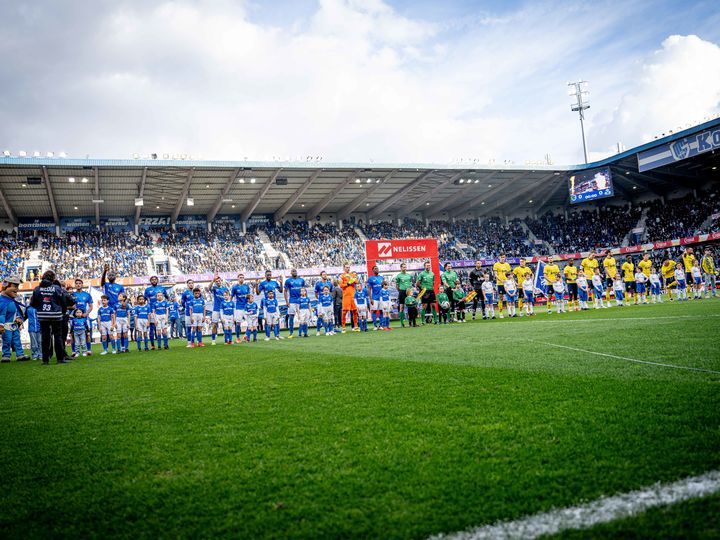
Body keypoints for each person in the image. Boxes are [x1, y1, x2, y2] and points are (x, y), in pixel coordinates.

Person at [31, 270, 72, 364]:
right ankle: (60, 359)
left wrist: (41, 308)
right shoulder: (57, 288)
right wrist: (62, 310)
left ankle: (45, 360)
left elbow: (33, 303)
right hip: (56, 315)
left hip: (42, 315)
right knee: (58, 337)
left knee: (45, 337)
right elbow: (63, 301)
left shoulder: (37, 289)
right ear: (53, 278)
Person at [0, 276, 29, 362]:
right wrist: (1, 325)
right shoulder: (2, 301)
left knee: (17, 340)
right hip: (6, 326)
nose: (17, 289)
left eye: (17, 286)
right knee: (7, 340)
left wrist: (19, 318)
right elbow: (2, 315)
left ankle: (20, 354)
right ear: (6, 286)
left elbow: (17, 311)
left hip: (15, 325)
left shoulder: (13, 301)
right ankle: (6, 355)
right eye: (15, 286)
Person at [145, 275, 168, 349]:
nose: (154, 281)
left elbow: (167, 296)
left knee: (162, 329)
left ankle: (164, 344)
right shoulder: (148, 289)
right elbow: (144, 299)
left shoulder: (162, 288)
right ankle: (152, 345)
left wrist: (168, 302)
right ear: (150, 281)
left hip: (161, 312)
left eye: (155, 279)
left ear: (157, 280)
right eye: (152, 280)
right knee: (152, 329)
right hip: (152, 311)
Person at [72, 278, 93, 356]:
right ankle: (74, 351)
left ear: (82, 284)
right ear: (75, 285)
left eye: (79, 283)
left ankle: (88, 350)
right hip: (74, 317)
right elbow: (70, 305)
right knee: (73, 334)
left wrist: (86, 313)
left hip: (84, 317)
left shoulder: (87, 295)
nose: (78, 284)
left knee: (87, 334)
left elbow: (91, 306)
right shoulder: (73, 295)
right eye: (76, 283)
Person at [206, 273, 229, 345]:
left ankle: (226, 340)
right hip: (216, 309)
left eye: (219, 281)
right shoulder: (215, 288)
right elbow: (208, 288)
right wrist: (213, 280)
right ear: (215, 282)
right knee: (214, 324)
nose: (218, 282)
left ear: (221, 281)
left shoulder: (225, 289)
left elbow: (228, 298)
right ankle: (213, 340)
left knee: (224, 324)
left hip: (223, 309)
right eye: (217, 281)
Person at [284, 269, 306, 339]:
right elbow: (285, 291)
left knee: (302, 317)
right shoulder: (288, 281)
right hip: (292, 301)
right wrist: (287, 301)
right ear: (291, 273)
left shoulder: (301, 280)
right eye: (293, 271)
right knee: (291, 317)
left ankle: (302, 332)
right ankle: (291, 333)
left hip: (300, 300)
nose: (294, 272)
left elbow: (304, 290)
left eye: (295, 271)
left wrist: (305, 298)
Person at [231, 274, 251, 343]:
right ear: (237, 278)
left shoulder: (247, 287)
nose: (241, 279)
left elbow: (249, 297)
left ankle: (246, 335)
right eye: (240, 277)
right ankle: (237, 338)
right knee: (238, 323)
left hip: (246, 307)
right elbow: (231, 297)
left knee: (250, 323)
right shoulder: (235, 287)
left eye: (243, 277)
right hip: (238, 308)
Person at [339, 264, 359, 333]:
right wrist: (347, 284)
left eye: (349, 267)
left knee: (355, 311)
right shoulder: (341, 276)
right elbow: (341, 285)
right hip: (346, 296)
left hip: (353, 295)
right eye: (346, 267)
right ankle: (343, 327)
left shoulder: (352, 274)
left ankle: (356, 326)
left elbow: (356, 281)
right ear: (344, 268)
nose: (348, 268)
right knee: (344, 311)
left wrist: (351, 278)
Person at [394, 263, 414, 327]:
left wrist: (410, 291)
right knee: (401, 307)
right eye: (403, 267)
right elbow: (397, 286)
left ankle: (410, 322)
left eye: (405, 267)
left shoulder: (409, 275)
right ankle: (402, 323)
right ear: (401, 268)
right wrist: (400, 291)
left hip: (408, 292)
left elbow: (410, 284)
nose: (404, 268)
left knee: (410, 307)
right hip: (402, 292)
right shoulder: (398, 276)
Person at [492, 254, 511, 319]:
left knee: (509, 297)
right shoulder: (496, 265)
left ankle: (510, 313)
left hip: (508, 284)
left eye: (504, 257)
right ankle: (500, 313)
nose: (503, 258)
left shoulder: (507, 265)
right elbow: (495, 275)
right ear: (499, 257)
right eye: (502, 257)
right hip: (500, 284)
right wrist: (502, 280)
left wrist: (510, 281)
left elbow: (509, 274)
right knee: (501, 298)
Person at [367, 265, 384, 330]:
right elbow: (369, 289)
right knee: (374, 311)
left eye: (377, 268)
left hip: (381, 298)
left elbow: (383, 288)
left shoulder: (381, 278)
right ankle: (375, 326)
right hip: (374, 298)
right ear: (373, 270)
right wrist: (370, 298)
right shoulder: (370, 278)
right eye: (375, 269)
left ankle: (381, 325)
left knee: (381, 311)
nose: (377, 270)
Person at [181, 279, 196, 346]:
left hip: (196, 313)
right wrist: (187, 308)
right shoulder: (185, 293)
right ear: (187, 284)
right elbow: (183, 302)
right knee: (189, 328)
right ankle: (189, 342)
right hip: (188, 313)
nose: (191, 284)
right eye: (189, 283)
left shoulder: (197, 292)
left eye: (192, 283)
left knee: (197, 328)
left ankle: (196, 342)